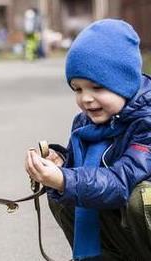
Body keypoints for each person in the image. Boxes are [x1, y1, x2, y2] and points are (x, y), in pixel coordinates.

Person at [25, 19, 151, 261]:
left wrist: (66, 179)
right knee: (62, 191)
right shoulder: (85, 123)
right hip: (123, 225)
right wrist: (60, 163)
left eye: (96, 87)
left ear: (125, 83)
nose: (86, 99)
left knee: (140, 197)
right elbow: (82, 175)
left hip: (139, 222)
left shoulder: (146, 122)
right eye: (77, 89)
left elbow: (119, 182)